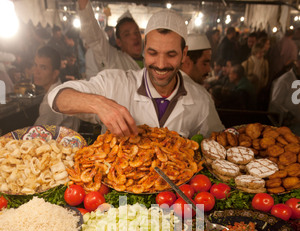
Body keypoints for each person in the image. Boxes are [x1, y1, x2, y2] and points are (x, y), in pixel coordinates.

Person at [48, 9, 224, 139]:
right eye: (153, 53)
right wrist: (99, 104)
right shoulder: (116, 83)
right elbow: (56, 97)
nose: (161, 65)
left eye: (171, 55)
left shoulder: (201, 100)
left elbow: (217, 141)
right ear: (144, 50)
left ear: (184, 54)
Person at [78, 0, 143, 73]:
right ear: (119, 42)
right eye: (127, 34)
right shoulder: (113, 60)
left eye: (136, 32)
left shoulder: (150, 60)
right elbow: (96, 39)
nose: (135, 36)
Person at [33, 46, 80, 131]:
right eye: (36, 65)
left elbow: (37, 134)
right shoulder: (59, 89)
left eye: (43, 68)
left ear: (55, 73)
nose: (36, 71)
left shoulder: (50, 103)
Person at [268, 52, 300, 135]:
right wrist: (288, 115)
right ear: (297, 62)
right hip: (290, 128)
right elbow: (274, 105)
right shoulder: (284, 81)